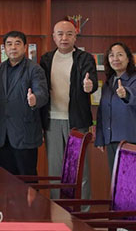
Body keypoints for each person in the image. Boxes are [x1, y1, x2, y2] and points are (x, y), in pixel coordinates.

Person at [39, 19, 98, 200]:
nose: (64, 38)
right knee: (55, 170)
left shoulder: (84, 58)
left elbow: (92, 81)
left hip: (77, 121)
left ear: (75, 37)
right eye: (60, 34)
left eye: (69, 34)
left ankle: (82, 210)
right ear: (54, 37)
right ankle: (57, 209)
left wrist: (89, 86)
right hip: (52, 120)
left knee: (80, 169)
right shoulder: (46, 59)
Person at [0, 30, 49, 176]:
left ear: (25, 47)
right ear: (4, 48)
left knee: (27, 179)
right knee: (6, 179)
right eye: (9, 44)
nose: (13, 47)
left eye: (17, 43)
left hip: (25, 134)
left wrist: (34, 99)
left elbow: (42, 93)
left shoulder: (34, 69)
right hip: (3, 135)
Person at [95, 42, 136, 172]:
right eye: (112, 55)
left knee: (128, 179)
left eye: (120, 55)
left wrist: (125, 93)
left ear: (128, 59)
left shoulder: (135, 80)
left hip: (128, 140)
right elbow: (102, 112)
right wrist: (100, 138)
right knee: (115, 179)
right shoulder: (108, 83)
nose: (115, 59)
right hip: (110, 139)